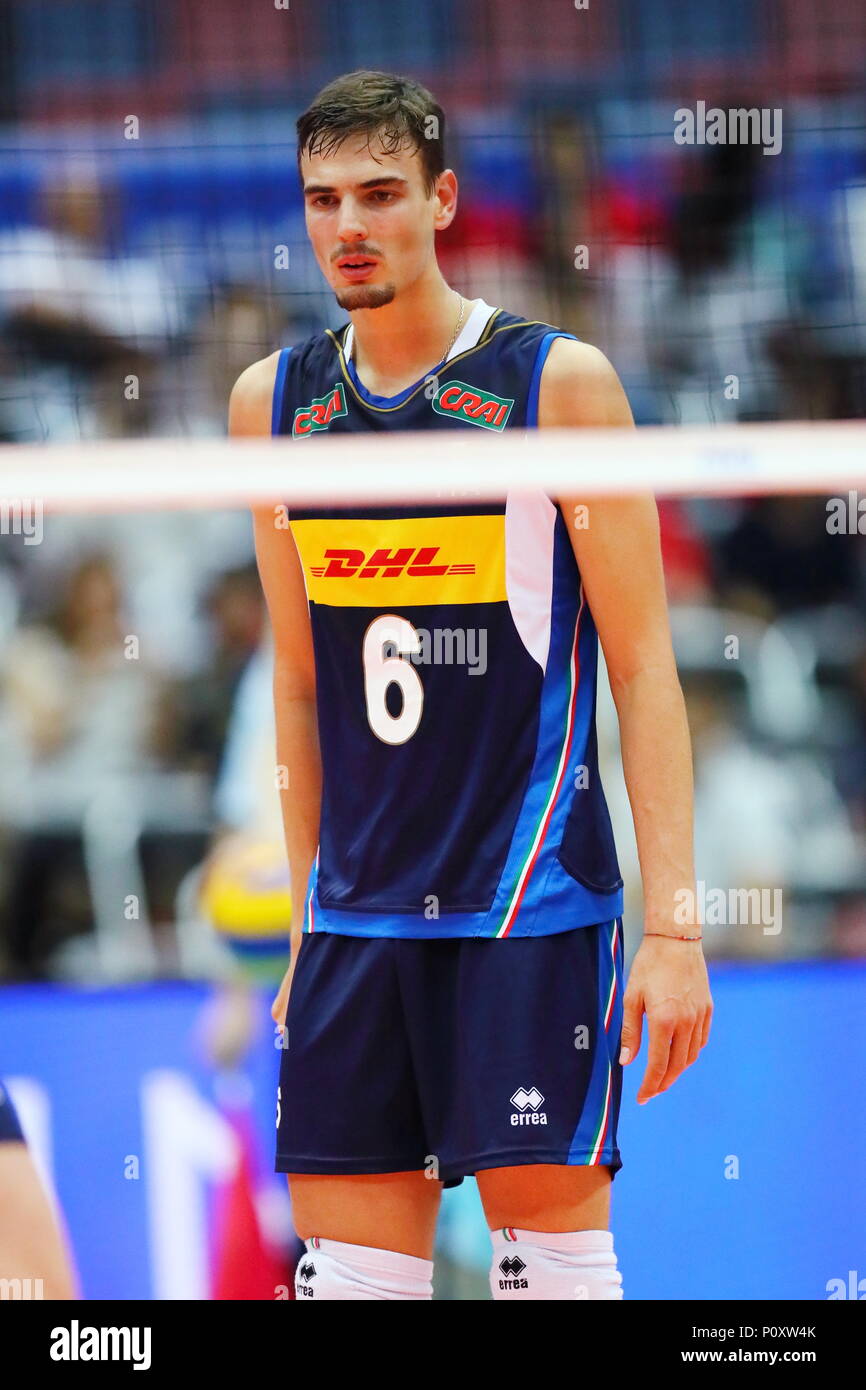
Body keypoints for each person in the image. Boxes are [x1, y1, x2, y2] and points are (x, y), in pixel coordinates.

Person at [230, 69, 712, 1301]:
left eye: (380, 194)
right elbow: (295, 684)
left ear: (440, 200)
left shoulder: (555, 385)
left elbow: (647, 669)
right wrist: (302, 915)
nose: (349, 224)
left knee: (547, 1276)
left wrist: (673, 927)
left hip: (527, 909)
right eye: (323, 198)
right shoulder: (272, 406)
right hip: (354, 919)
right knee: (348, 1283)